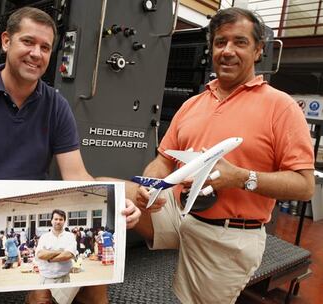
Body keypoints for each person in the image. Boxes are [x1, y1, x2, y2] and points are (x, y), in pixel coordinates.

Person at [0, 6, 140, 304]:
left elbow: (77, 175)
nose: (37, 53)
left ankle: (42, 294)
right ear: (6, 41)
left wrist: (111, 204)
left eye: (45, 47)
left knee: (84, 255)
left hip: (36, 201)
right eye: (28, 42)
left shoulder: (56, 106)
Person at [131, 7, 315, 304]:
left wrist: (241, 178)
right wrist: (151, 183)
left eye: (240, 42)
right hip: (179, 212)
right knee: (109, 194)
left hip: (227, 235)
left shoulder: (281, 107)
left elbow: (305, 186)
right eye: (220, 42)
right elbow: (164, 159)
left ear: (258, 50)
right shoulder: (193, 104)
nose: (227, 51)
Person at [35, 210, 77, 285]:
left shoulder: (70, 236)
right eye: (56, 219)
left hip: (64, 278)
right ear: (51, 221)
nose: (58, 222)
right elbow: (40, 255)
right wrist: (60, 251)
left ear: (64, 221)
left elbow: (68, 255)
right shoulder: (44, 237)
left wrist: (49, 258)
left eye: (61, 219)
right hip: (46, 278)